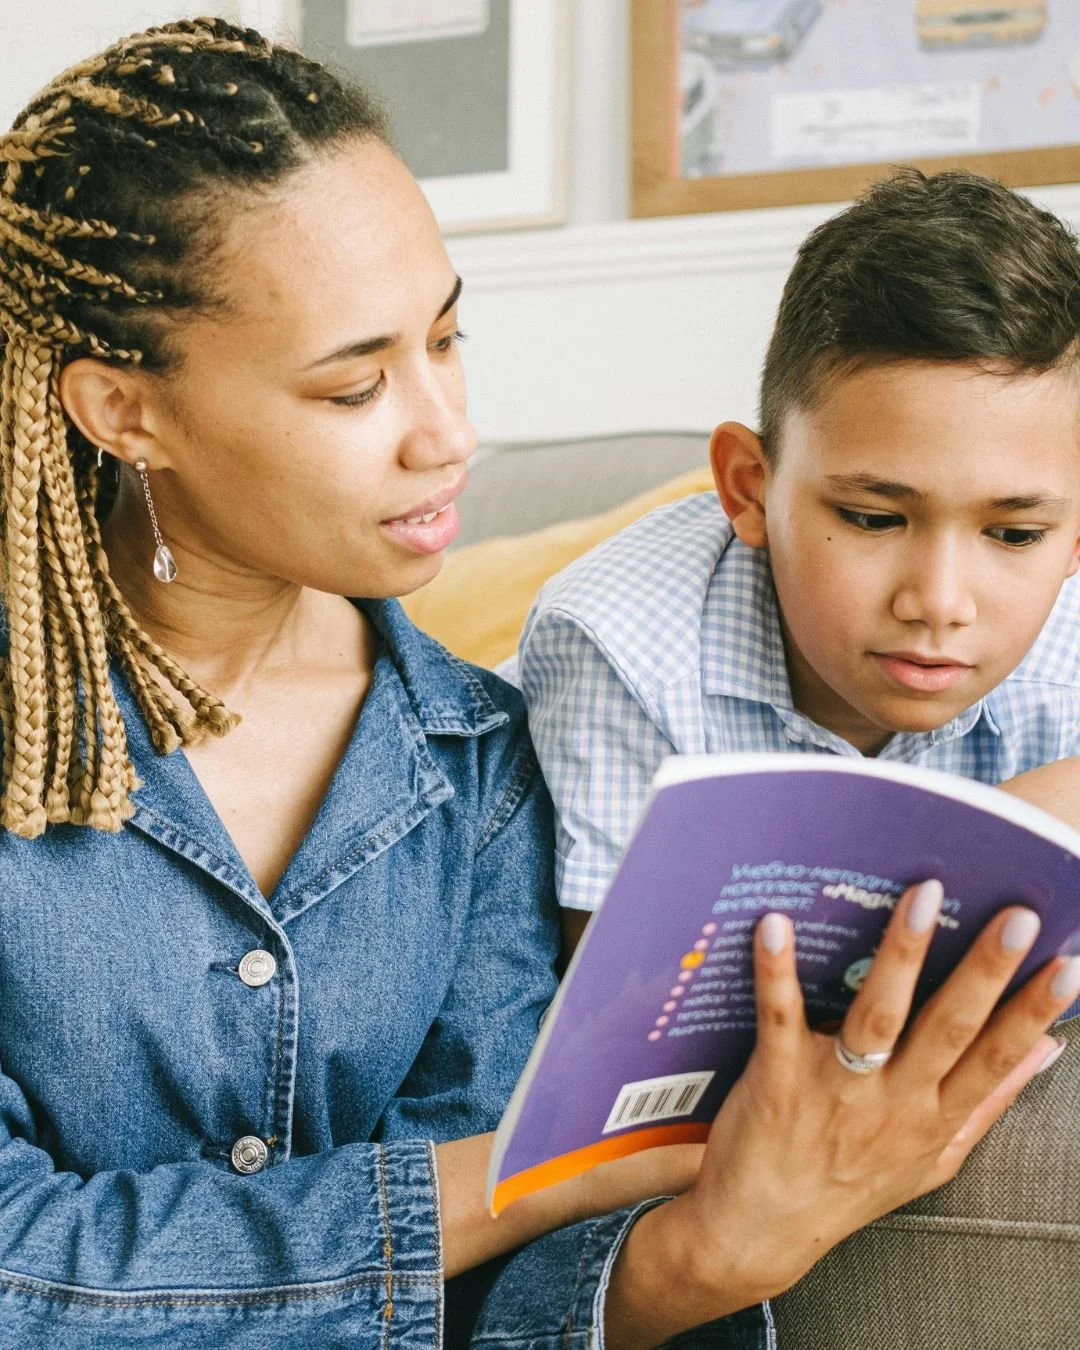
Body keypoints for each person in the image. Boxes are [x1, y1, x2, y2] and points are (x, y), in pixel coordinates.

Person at [0, 22, 1074, 1349]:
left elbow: (502, 1312)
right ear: (122, 410)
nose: (448, 430)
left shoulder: (477, 761)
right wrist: (528, 1174)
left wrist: (707, 1249)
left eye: (447, 340)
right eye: (355, 384)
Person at [518, 169, 1080, 958]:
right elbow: (621, 1023)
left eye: (1015, 535)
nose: (940, 603)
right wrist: (987, 845)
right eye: (873, 518)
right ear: (751, 489)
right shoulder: (616, 646)